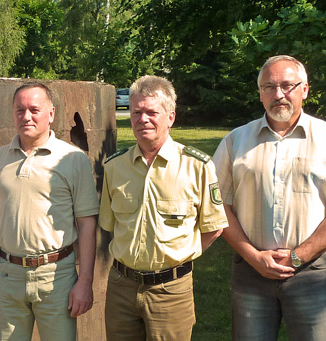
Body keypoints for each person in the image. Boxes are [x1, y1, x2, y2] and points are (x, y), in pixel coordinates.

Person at [213, 55, 326, 340]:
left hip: (311, 273)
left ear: (305, 89)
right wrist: (253, 256)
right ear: (260, 93)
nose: (279, 94)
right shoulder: (234, 141)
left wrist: (298, 257)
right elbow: (218, 207)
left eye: (287, 85)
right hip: (250, 272)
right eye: (269, 87)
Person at [99, 75, 228, 340]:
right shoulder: (114, 167)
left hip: (171, 290)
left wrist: (179, 257)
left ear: (170, 117)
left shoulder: (197, 166)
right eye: (136, 112)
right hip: (121, 287)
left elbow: (214, 228)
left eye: (151, 112)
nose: (142, 119)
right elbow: (109, 225)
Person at [0, 83, 100, 340]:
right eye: (20, 110)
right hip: (7, 275)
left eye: (34, 109)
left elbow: (87, 224)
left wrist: (85, 281)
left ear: (51, 113)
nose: (26, 116)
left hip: (56, 277)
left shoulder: (73, 160)